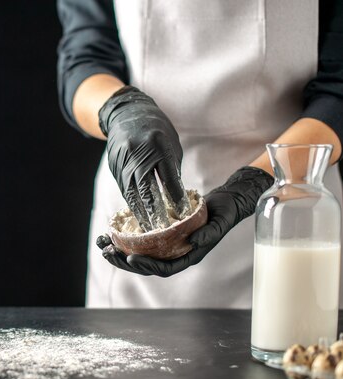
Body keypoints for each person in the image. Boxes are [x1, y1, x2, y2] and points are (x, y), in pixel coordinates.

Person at [57, 0, 343, 308]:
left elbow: (337, 89)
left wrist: (256, 183)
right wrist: (119, 111)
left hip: (290, 202)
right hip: (141, 193)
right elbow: (86, 56)